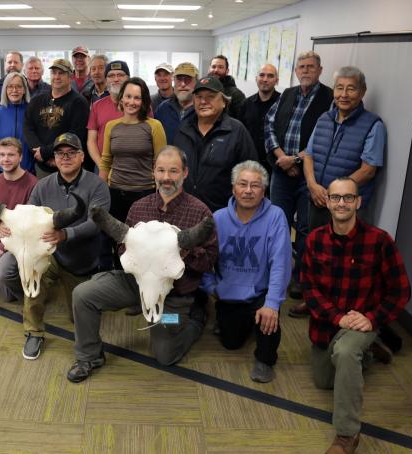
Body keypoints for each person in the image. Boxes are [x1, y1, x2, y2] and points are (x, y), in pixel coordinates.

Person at [67, 146, 218, 382]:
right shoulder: (139, 207)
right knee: (83, 294)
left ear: (185, 173)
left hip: (175, 295)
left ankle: (194, 317)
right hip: (135, 284)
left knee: (165, 354)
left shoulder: (200, 212)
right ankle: (88, 356)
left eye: (173, 171)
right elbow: (121, 248)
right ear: (153, 173)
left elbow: (209, 261)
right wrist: (135, 249)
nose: (166, 177)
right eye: (161, 170)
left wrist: (180, 252)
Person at [302, 177, 410, 454]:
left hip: (362, 321)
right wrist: (337, 318)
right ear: (327, 202)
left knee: (347, 352)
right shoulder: (315, 240)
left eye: (348, 198)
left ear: (358, 202)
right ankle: (369, 352)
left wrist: (372, 319)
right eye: (336, 197)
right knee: (325, 381)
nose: (341, 203)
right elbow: (309, 290)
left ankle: (347, 435)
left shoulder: (379, 241)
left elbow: (400, 291)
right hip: (328, 323)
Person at [0, 133, 110, 360]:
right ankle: (34, 331)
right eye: (60, 153)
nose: (65, 158)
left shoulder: (97, 186)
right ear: (53, 158)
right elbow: (28, 219)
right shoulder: (43, 186)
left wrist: (66, 234)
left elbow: (97, 224)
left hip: (81, 258)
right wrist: (8, 229)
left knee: (78, 315)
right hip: (48, 252)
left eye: (71, 153)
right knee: (33, 277)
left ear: (82, 156)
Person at [201, 160, 291, 383]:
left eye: (255, 185)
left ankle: (265, 359)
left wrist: (272, 304)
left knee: (269, 322)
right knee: (230, 343)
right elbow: (202, 257)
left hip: (260, 293)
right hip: (228, 293)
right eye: (243, 184)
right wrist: (211, 286)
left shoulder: (276, 216)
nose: (248, 191)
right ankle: (237, 321)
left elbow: (281, 262)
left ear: (264, 191)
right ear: (233, 188)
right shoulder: (218, 218)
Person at [264, 50, 333, 308]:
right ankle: (275, 273)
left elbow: (325, 138)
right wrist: (281, 156)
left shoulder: (329, 99)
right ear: (296, 71)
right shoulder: (288, 95)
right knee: (278, 225)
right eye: (301, 67)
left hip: (309, 176)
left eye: (310, 67)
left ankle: (299, 279)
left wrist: (296, 161)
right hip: (281, 173)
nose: (305, 71)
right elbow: (269, 125)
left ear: (319, 70)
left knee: (306, 229)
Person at [304, 66, 385, 232]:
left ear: (362, 92)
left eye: (351, 89)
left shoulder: (373, 125)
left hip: (347, 207)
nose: (344, 94)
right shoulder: (323, 119)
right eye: (339, 88)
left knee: (342, 254)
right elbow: (308, 155)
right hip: (317, 200)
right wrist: (312, 185)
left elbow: (368, 170)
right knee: (314, 248)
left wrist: (334, 193)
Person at [174, 77, 258, 212]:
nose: (203, 101)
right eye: (199, 97)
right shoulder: (183, 128)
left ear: (224, 101)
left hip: (222, 213)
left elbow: (251, 173)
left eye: (210, 97)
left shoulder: (236, 131)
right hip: (185, 211)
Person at [99, 77, 167, 222]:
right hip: (115, 192)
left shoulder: (154, 126)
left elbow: (161, 164)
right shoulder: (111, 126)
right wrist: (101, 192)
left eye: (137, 98)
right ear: (121, 98)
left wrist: (161, 195)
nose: (131, 102)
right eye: (128, 96)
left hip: (144, 193)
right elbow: (106, 162)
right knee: (117, 241)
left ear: (144, 101)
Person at [0, 137, 37, 302]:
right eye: (2, 155)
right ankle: (20, 280)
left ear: (20, 157)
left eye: (11, 155)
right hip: (0, 244)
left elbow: (32, 222)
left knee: (1, 273)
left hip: (23, 245)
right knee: (7, 297)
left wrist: (10, 233)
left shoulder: (33, 184)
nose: (6, 159)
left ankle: (33, 297)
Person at [23, 58, 90, 176]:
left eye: (61, 73)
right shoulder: (37, 101)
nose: (57, 77)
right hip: (42, 166)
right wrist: (39, 153)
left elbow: (75, 135)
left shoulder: (79, 103)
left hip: (67, 164)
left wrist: (46, 152)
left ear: (70, 77)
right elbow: (28, 127)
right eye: (54, 73)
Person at [0, 72, 34, 177]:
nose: (14, 90)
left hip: (27, 171)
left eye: (18, 86)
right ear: (5, 90)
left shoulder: (31, 110)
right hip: (2, 172)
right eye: (10, 87)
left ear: (24, 89)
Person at [86, 60, 130, 170]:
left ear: (128, 79)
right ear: (106, 80)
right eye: (111, 76)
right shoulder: (97, 106)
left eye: (120, 75)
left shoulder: (140, 104)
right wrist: (101, 165)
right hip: (103, 166)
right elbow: (91, 141)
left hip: (132, 168)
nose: (116, 79)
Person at [239, 64, 280, 175]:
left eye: (270, 76)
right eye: (262, 75)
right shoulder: (246, 104)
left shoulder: (284, 103)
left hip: (276, 166)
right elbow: (240, 135)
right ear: (256, 79)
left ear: (277, 80)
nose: (265, 79)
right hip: (250, 163)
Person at [155, 62, 198, 144]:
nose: (182, 84)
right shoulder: (162, 109)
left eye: (188, 79)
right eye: (179, 79)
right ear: (174, 80)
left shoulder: (202, 110)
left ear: (196, 82)